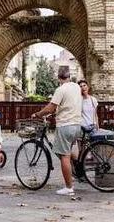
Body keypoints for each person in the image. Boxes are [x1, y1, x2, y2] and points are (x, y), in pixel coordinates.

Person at [31, 67, 82, 196]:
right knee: (68, 153)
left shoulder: (60, 89)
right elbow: (67, 105)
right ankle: (77, 172)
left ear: (59, 78)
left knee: (64, 156)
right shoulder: (76, 87)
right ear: (69, 76)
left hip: (65, 126)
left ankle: (69, 187)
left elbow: (51, 107)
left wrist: (38, 114)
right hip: (77, 125)